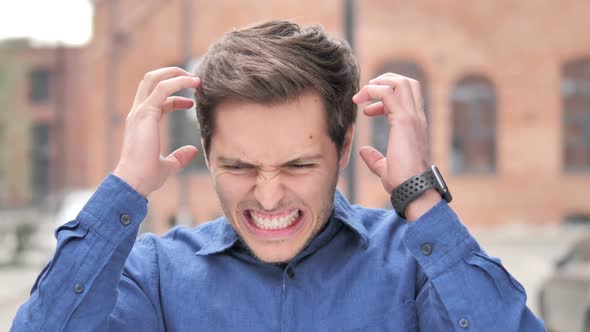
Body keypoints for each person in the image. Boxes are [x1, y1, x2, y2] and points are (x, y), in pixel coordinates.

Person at [11, 20, 544, 331]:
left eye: (298, 165)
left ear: (344, 146)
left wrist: (419, 197)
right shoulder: (153, 276)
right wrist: (127, 184)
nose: (268, 197)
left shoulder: (414, 266)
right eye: (239, 167)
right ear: (206, 152)